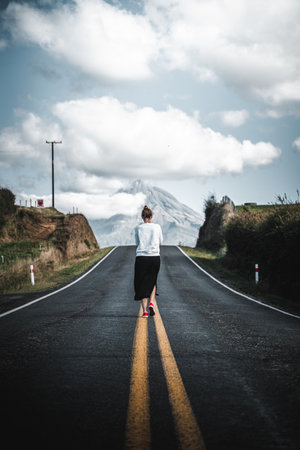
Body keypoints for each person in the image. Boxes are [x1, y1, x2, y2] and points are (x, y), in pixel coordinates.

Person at [134, 205, 163, 318]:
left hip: (141, 257)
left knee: (141, 283)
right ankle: (151, 303)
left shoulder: (138, 228)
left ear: (142, 216)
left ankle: (145, 311)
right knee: (152, 281)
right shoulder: (157, 227)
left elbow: (137, 243)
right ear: (152, 216)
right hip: (154, 257)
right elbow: (161, 241)